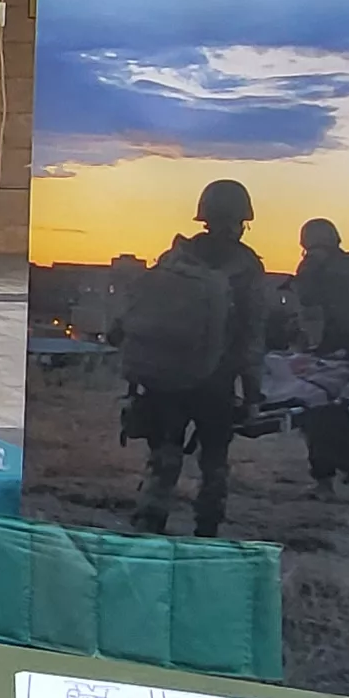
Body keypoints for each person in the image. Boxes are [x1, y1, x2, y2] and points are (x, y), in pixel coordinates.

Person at [123, 180, 268, 537]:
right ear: (242, 219)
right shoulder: (246, 265)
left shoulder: (176, 257)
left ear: (203, 215)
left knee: (163, 460)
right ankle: (206, 535)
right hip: (215, 382)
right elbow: (252, 337)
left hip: (164, 377)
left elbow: (146, 319)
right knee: (214, 464)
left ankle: (148, 527)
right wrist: (252, 397)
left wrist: (136, 382)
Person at [289, 218, 349, 491]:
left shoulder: (311, 266)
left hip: (321, 348)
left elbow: (307, 306)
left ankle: (324, 480)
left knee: (316, 410)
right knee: (338, 405)